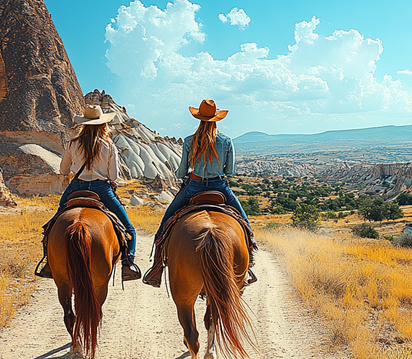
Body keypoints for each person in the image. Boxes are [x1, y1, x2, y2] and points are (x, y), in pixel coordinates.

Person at [143, 99, 251, 287]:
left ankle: (157, 266)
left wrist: (182, 174)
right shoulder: (226, 141)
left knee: (165, 224)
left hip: (194, 187)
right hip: (220, 188)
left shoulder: (189, 141)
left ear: (199, 119)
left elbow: (182, 171)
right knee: (245, 225)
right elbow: (230, 171)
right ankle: (248, 268)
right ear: (216, 119)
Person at [35, 105, 140, 281]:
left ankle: (48, 262)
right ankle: (128, 264)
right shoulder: (108, 145)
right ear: (102, 125)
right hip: (102, 189)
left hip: (77, 187)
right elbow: (113, 176)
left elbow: (63, 171)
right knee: (129, 228)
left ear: (84, 124)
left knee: (52, 225)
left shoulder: (73, 143)